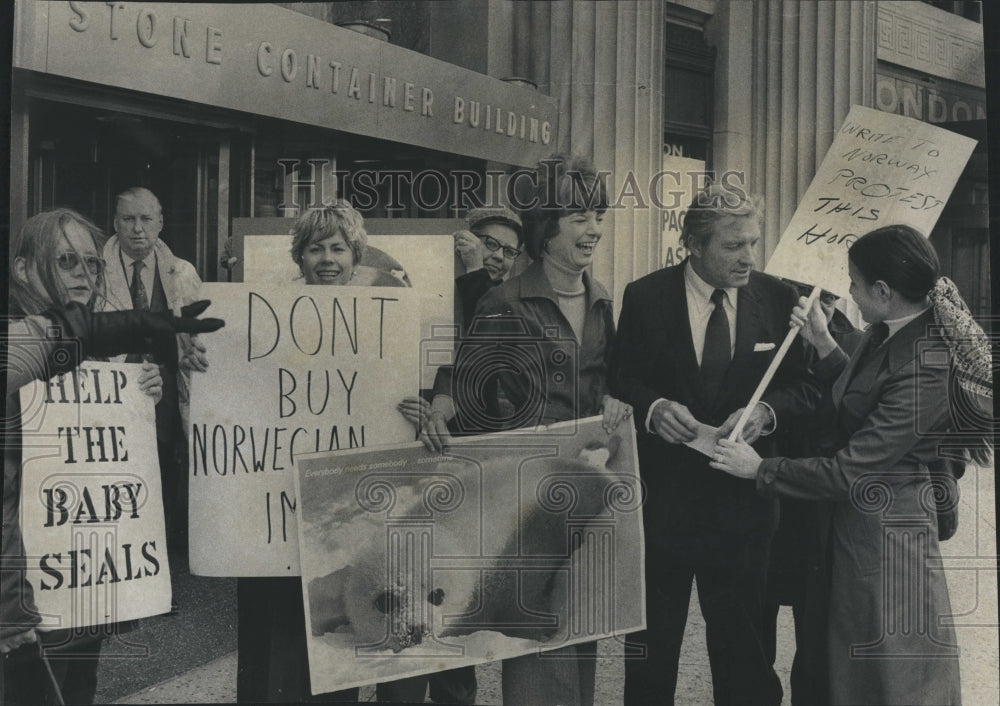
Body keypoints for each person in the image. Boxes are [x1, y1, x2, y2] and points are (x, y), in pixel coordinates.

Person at [712, 224, 992, 705]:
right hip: (858, 531)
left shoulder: (927, 363)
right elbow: (866, 397)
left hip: (890, 541)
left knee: (894, 676)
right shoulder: (888, 331)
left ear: (883, 292)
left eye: (855, 284)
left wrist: (759, 469)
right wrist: (824, 342)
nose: (850, 294)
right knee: (855, 671)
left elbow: (851, 470)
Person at [3, 208, 223, 706]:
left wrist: (139, 395)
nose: (84, 273)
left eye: (91, 262)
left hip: (79, 589)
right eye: (65, 260)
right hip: (20, 605)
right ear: (22, 271)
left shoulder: (97, 354)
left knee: (80, 691)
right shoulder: (16, 343)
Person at [609, 184, 820, 706]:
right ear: (693, 244)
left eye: (753, 242)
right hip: (662, 509)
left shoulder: (777, 297)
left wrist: (766, 414)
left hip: (744, 511)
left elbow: (805, 388)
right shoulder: (644, 296)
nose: (749, 257)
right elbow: (620, 381)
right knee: (651, 654)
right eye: (733, 246)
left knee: (745, 656)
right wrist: (654, 410)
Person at [439, 154, 630, 706]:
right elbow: (469, 390)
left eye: (597, 214)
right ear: (546, 227)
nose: (593, 228)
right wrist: (442, 412)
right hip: (525, 498)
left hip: (588, 490)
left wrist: (619, 401)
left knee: (582, 623)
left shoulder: (603, 302)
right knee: (536, 632)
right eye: (578, 217)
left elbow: (614, 383)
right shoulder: (504, 301)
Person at [236, 200, 416, 704]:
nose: (328, 259)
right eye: (316, 248)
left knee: (335, 623)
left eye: (338, 248)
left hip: (346, 498)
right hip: (283, 501)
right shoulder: (270, 312)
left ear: (356, 255)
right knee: (286, 631)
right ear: (300, 257)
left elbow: (402, 386)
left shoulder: (389, 310)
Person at [762, 287, 863, 706]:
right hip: (764, 497)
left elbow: (854, 418)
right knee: (755, 622)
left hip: (820, 506)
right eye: (806, 294)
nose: (816, 304)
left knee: (817, 629)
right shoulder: (765, 329)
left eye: (828, 298)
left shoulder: (855, 343)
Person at [101, 187, 207, 575]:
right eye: (128, 219)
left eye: (146, 219)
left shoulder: (183, 272)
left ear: (160, 222)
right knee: (114, 475)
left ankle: (154, 571)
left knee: (160, 473)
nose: (138, 229)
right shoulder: (94, 271)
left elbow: (199, 339)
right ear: (115, 224)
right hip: (112, 395)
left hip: (161, 397)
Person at [399, 205, 523, 451]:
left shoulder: (511, 303)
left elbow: (482, 327)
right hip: (410, 415)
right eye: (490, 244)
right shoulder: (430, 279)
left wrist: (475, 271)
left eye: (509, 251)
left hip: (470, 430)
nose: (499, 256)